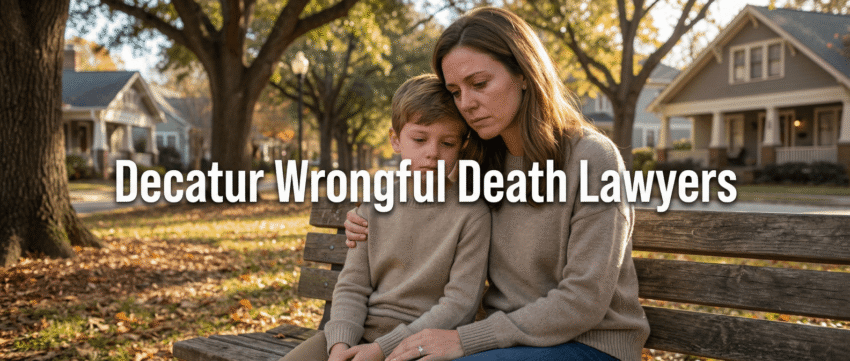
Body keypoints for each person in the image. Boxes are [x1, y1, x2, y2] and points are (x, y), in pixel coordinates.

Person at [343, 7, 650, 361]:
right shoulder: (477, 163)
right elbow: (412, 200)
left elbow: (583, 300)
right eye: (455, 91)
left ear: (523, 74)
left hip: (590, 343)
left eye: (479, 84)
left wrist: (466, 340)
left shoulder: (592, 158)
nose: (467, 104)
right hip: (504, 342)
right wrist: (360, 219)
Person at [280, 74, 491, 361]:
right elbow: (352, 286)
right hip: (359, 334)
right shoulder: (374, 206)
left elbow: (458, 305)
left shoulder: (471, 214)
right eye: (419, 139)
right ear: (396, 140)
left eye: (448, 143)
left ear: (462, 146)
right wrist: (339, 346)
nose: (432, 153)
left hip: (423, 344)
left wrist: (381, 349)